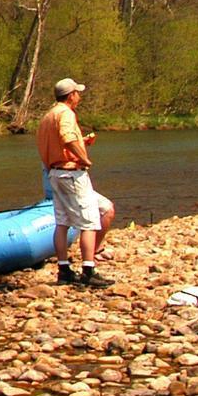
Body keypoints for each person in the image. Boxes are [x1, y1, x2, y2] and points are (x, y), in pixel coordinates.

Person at [37, 77, 116, 287]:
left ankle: (64, 270)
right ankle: (88, 271)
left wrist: (82, 143)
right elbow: (67, 138)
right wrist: (84, 158)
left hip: (54, 173)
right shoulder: (66, 113)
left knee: (62, 222)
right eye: (77, 93)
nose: (79, 96)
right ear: (71, 95)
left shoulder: (48, 116)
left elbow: (56, 143)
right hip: (71, 174)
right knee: (89, 221)